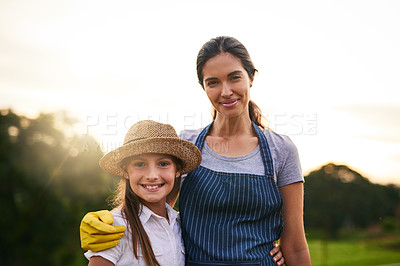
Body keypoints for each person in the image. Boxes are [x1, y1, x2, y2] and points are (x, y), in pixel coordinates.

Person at [80, 36, 310, 265]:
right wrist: (109, 221)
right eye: (213, 82)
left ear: (251, 77)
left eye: (234, 78)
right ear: (204, 87)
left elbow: (295, 245)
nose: (226, 91)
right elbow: (154, 205)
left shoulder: (281, 149)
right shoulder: (186, 146)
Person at [83, 120, 202, 266]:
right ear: (126, 171)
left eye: (163, 164)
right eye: (140, 164)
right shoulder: (114, 227)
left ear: (177, 170)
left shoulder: (178, 223)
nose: (152, 175)